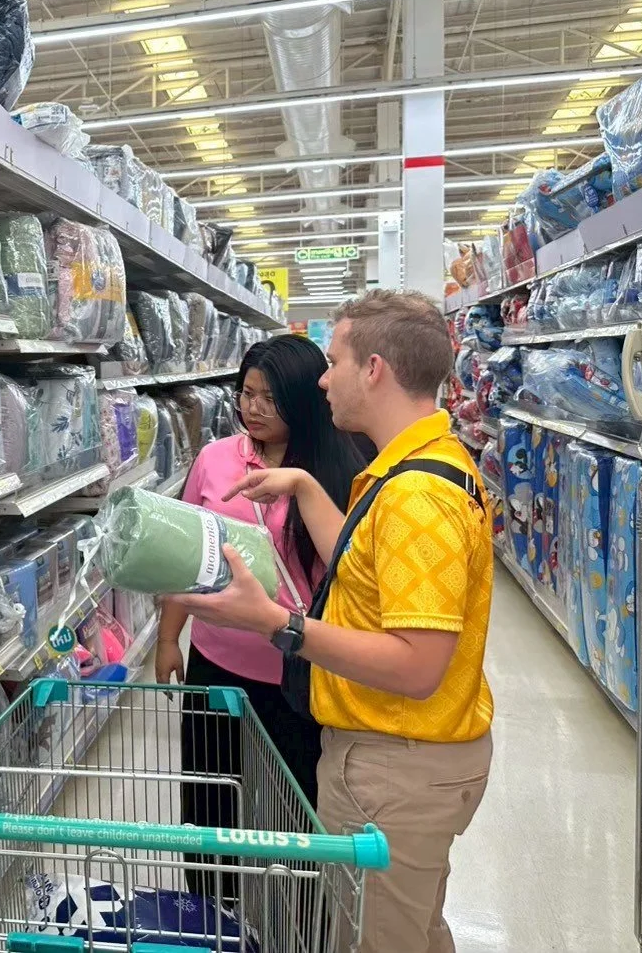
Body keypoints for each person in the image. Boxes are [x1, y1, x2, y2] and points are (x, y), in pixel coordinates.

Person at [171, 290, 494, 953]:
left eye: (335, 359)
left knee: (371, 941)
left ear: (373, 369)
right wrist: (305, 489)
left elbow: (416, 665)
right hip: (411, 756)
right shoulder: (416, 465)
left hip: (395, 765)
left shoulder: (415, 496)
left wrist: (277, 624)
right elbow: (367, 573)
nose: (322, 378)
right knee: (414, 930)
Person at [154, 335, 370, 897]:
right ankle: (209, 910)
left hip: (297, 670)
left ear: (302, 400)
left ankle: (294, 911)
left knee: (296, 805)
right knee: (206, 798)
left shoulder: (342, 467)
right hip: (216, 663)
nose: (252, 408)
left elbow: (354, 579)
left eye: (268, 398)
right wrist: (169, 638)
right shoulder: (214, 459)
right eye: (245, 394)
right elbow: (186, 552)